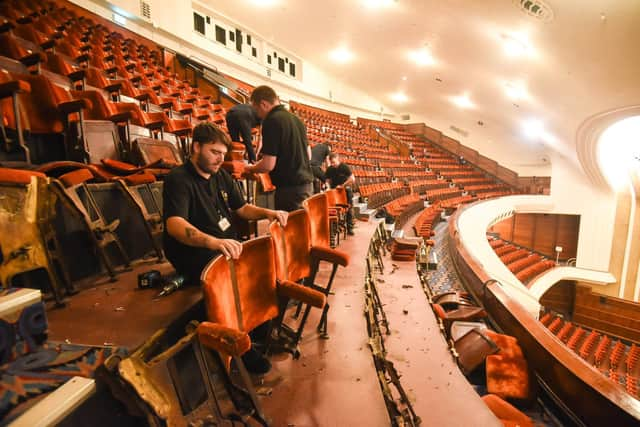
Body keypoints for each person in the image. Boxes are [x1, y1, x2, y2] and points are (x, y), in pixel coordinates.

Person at [163, 122, 288, 374]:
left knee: (266, 265)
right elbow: (174, 224)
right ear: (196, 147)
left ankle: (258, 327)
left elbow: (241, 208)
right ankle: (241, 346)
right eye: (214, 152)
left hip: (224, 245)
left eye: (223, 153)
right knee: (233, 278)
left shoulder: (221, 175)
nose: (220, 159)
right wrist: (213, 241)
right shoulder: (178, 178)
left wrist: (268, 212)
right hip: (193, 250)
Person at [245, 85, 313, 211]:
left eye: (256, 109)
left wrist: (250, 168)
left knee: (290, 229)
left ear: (264, 104)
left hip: (289, 191)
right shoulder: (297, 119)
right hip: (306, 187)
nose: (258, 115)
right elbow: (308, 155)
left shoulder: (271, 121)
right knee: (303, 227)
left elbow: (268, 165)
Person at [325, 153, 356, 235]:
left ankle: (350, 228)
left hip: (344, 190)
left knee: (349, 208)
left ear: (337, 159)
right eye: (331, 162)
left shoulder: (344, 167)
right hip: (334, 192)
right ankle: (335, 227)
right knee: (334, 210)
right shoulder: (330, 169)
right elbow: (327, 180)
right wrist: (328, 187)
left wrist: (343, 185)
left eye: (334, 162)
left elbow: (352, 179)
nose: (332, 164)